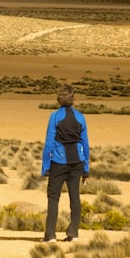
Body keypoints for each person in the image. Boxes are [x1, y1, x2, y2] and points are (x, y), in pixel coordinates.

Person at [42, 84, 90, 242]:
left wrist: (45, 167)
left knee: (53, 198)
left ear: (59, 99)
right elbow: (85, 144)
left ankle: (50, 235)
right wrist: (86, 169)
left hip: (58, 161)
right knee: (74, 197)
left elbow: (49, 143)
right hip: (77, 162)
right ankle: (73, 232)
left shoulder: (55, 116)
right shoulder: (80, 117)